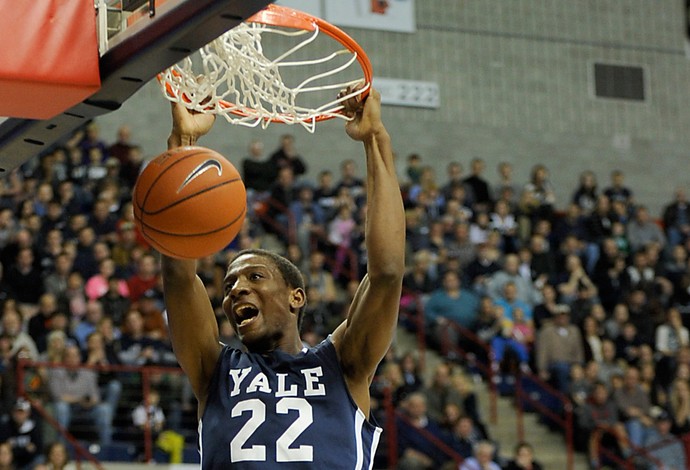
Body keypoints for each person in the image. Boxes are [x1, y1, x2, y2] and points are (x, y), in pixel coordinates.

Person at [160, 87, 404, 468]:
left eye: (254, 277)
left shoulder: (342, 363)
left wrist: (375, 138)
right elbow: (178, 273)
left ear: (296, 297)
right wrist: (183, 143)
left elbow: (386, 273)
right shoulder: (215, 369)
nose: (236, 289)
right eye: (228, 287)